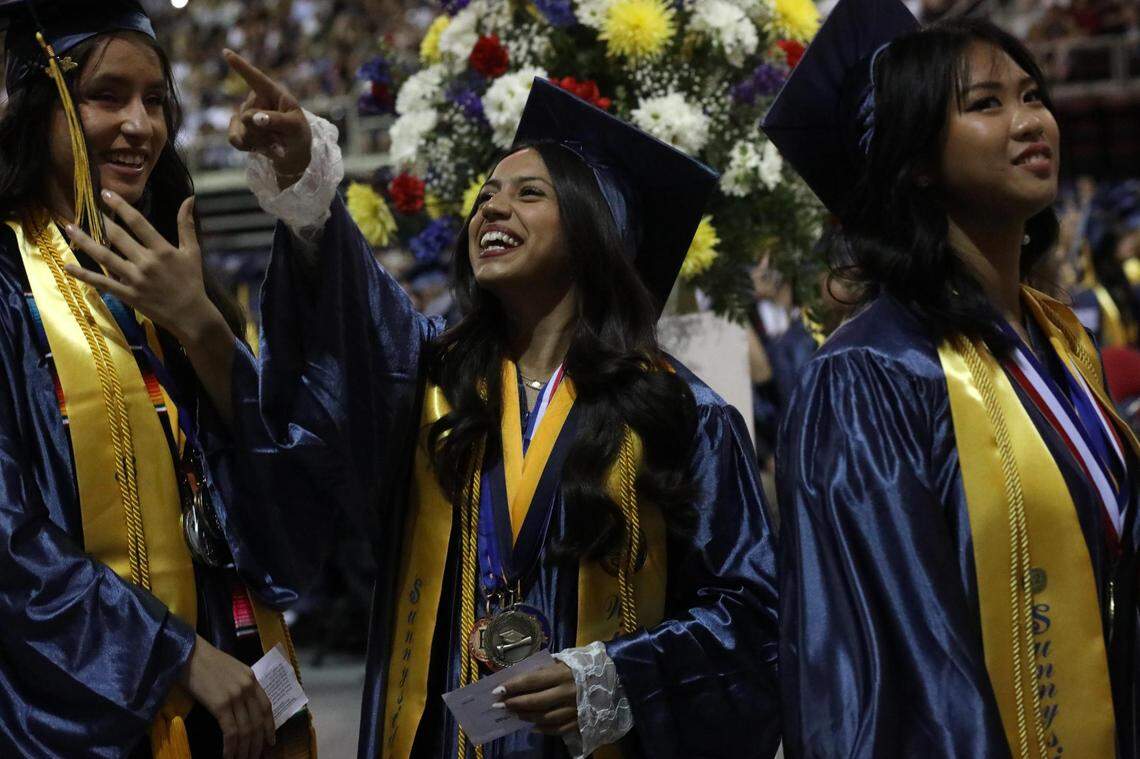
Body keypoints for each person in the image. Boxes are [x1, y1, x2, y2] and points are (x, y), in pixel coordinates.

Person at [219, 53, 781, 758]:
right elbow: (353, 309)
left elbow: (753, 616)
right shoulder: (434, 385)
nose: (492, 205)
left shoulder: (680, 414)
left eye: (529, 193)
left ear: (593, 228)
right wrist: (307, 181)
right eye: (487, 192)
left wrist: (613, 679)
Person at [764, 0, 1139, 756]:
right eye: (987, 104)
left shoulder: (1061, 344)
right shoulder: (872, 376)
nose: (1031, 120)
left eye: (1033, 96)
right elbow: (893, 665)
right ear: (916, 163)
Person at [0, 2, 316, 756]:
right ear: (45, 105)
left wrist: (203, 328)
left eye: (156, 101)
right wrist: (168, 651)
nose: (140, 126)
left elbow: (287, 496)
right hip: (79, 707)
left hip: (233, 690)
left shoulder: (179, 276)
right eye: (108, 96)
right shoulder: (9, 287)